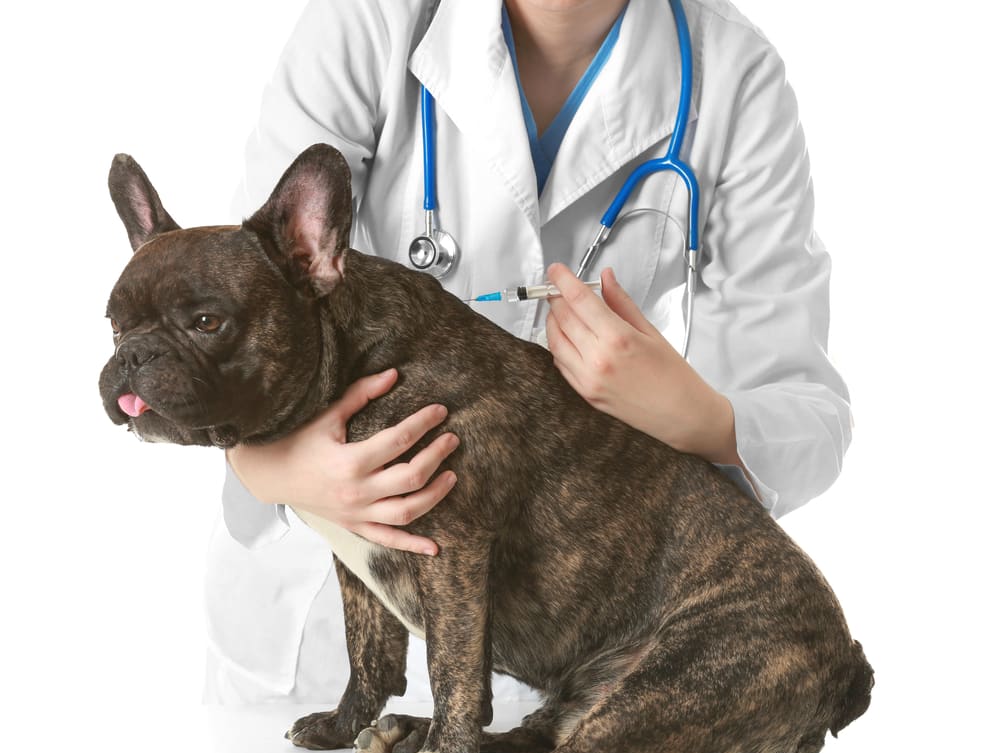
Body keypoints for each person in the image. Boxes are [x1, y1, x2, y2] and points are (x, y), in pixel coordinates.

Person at [203, 0, 851, 705]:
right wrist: (278, 469)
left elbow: (806, 413)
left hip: (563, 636)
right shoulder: (372, 18)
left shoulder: (734, 76)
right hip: (323, 636)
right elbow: (230, 305)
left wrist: (697, 415)